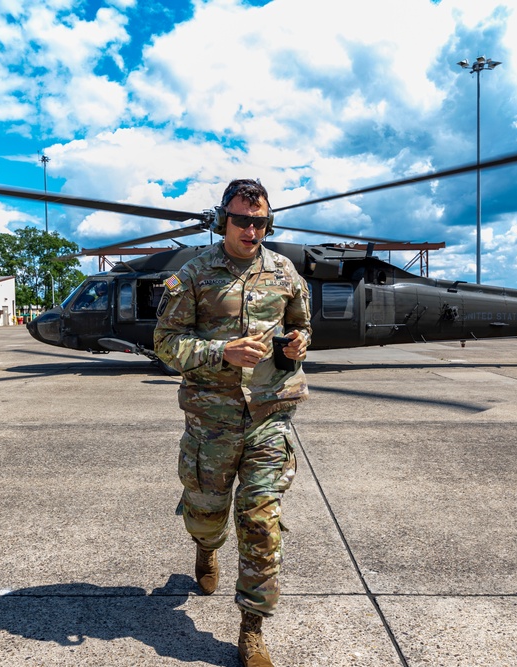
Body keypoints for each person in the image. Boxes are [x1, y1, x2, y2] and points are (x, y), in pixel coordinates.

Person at [154, 179, 311, 667]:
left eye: (260, 221)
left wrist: (298, 342)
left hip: (270, 415)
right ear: (224, 219)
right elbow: (165, 343)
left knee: (262, 521)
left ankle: (252, 628)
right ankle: (205, 548)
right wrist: (221, 351)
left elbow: (302, 323)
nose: (251, 228)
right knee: (206, 514)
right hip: (212, 422)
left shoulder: (284, 271)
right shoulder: (194, 275)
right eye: (242, 219)